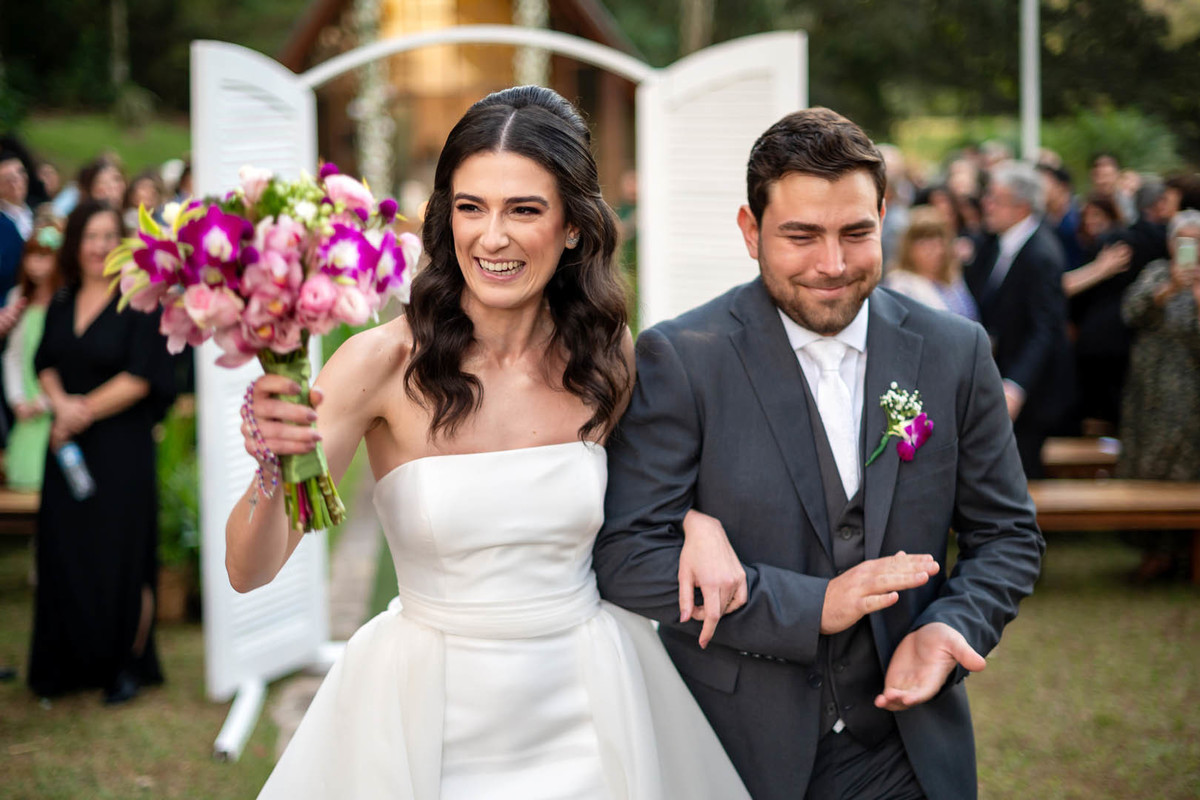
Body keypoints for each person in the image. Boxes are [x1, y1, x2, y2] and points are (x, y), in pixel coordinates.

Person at [230, 86, 750, 799]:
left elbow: (643, 499)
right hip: (428, 710)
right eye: (471, 207)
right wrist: (274, 462)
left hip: (589, 704)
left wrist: (696, 520)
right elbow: (249, 571)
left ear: (573, 226)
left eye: (524, 210)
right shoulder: (378, 364)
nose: (492, 237)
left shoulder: (607, 356)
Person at [595, 107, 1044, 800]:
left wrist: (953, 624)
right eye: (801, 235)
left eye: (856, 233)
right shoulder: (683, 359)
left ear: (884, 215)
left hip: (907, 749)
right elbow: (627, 557)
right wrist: (811, 606)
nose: (832, 266)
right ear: (751, 231)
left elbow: (1008, 535)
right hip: (731, 749)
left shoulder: (956, 353)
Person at [27, 199, 176, 704]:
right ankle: (65, 666)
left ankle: (124, 667)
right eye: (91, 236)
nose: (100, 246)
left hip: (121, 451)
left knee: (120, 558)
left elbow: (141, 377)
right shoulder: (63, 299)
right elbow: (43, 359)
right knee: (65, 555)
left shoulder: (139, 299)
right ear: (76, 243)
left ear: (123, 244)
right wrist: (58, 403)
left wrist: (78, 410)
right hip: (67, 450)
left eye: (110, 236)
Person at [965, 160, 1073, 477]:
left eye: (995, 198)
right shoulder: (996, 242)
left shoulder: (1042, 254)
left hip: (1029, 396)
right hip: (999, 378)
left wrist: (1015, 386)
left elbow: (1045, 329)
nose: (986, 204)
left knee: (1020, 476)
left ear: (1022, 206)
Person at [1117, 209, 1200, 581]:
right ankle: (1152, 552)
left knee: (1183, 473)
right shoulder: (1155, 273)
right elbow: (1130, 313)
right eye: (1182, 240)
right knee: (1146, 470)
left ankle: (1181, 554)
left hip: (1189, 399)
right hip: (1147, 397)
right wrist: (1169, 290)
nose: (1189, 248)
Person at [3, 220, 63, 489]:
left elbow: (67, 359)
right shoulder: (18, 299)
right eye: (32, 256)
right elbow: (13, 356)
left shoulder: (64, 302)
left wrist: (45, 401)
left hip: (54, 404)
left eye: (45, 257)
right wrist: (17, 400)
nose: (37, 265)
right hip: (26, 403)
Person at [883, 205, 978, 320]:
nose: (933, 250)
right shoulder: (901, 285)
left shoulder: (953, 277)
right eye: (924, 243)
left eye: (938, 241)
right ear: (908, 248)